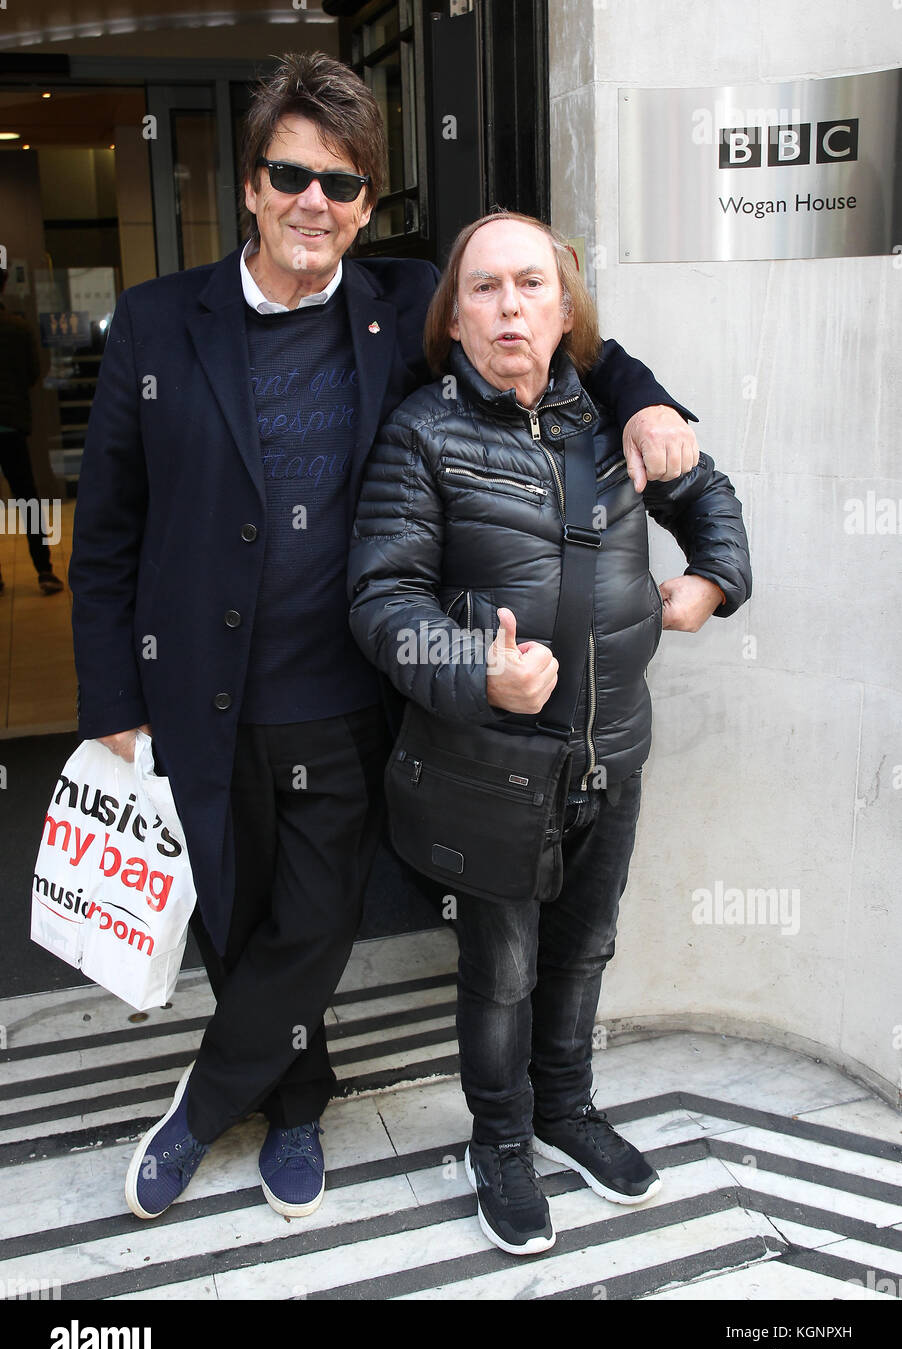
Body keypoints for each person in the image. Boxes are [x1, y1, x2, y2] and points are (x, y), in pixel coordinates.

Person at [69, 53, 703, 1224]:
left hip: (345, 690)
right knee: (233, 916)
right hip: (196, 693)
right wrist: (112, 698)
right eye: (290, 174)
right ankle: (297, 1094)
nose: (316, 201)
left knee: (317, 919)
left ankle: (204, 1110)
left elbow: (559, 336)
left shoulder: (400, 304)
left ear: (366, 205)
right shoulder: (160, 324)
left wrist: (648, 399)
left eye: (344, 184)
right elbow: (105, 530)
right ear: (252, 187)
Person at [347, 211, 752, 1256]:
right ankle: (499, 1140)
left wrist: (709, 583)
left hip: (611, 751)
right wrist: (474, 666)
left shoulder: (612, 419)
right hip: (487, 768)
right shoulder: (420, 432)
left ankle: (567, 1109)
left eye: (530, 284)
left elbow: (708, 497)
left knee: (584, 948)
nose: (508, 306)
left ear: (564, 309)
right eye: (483, 288)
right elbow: (382, 602)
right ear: (455, 315)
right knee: (502, 968)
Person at [0, 268, 64, 596]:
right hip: (11, 424)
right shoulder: (18, 328)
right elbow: (32, 373)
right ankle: (44, 569)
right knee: (27, 498)